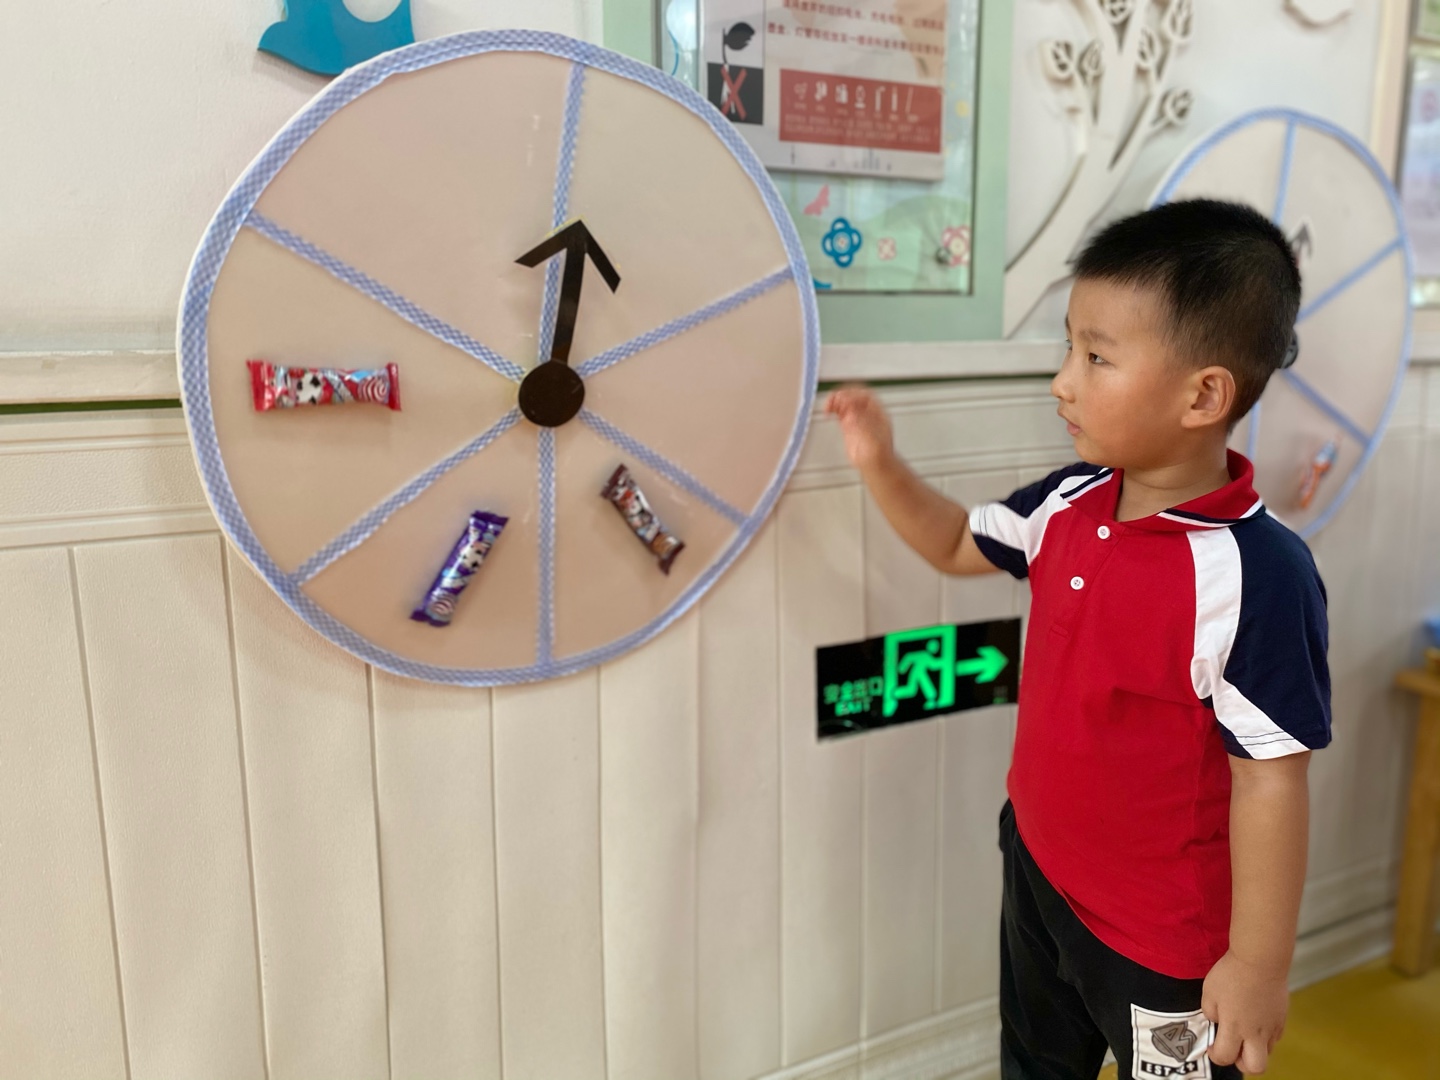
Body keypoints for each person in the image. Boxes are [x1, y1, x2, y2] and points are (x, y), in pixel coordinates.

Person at [828, 199, 1330, 1079]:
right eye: (1069, 347)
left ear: (1204, 395)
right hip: (1040, 875)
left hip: (1166, 943)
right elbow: (954, 543)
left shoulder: (1259, 573)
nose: (1062, 381)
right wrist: (879, 460)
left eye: (1095, 357)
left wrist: (1258, 966)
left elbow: (1270, 781)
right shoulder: (1069, 500)